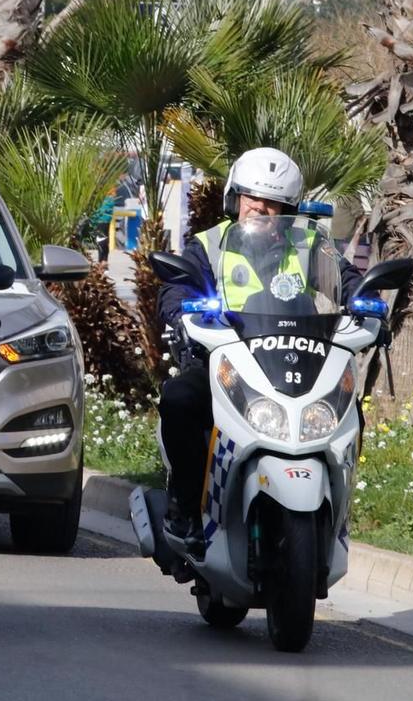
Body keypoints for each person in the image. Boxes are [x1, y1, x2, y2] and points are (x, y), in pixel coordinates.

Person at [154, 147, 359, 548]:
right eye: (253, 198)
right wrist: (180, 311)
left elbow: (346, 277)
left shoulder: (309, 247)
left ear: (289, 209)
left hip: (296, 360)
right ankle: (185, 507)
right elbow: (177, 286)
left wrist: (366, 300)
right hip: (225, 362)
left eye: (274, 203)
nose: (261, 209)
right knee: (179, 399)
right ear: (235, 198)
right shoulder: (209, 246)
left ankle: (339, 514)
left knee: (350, 408)